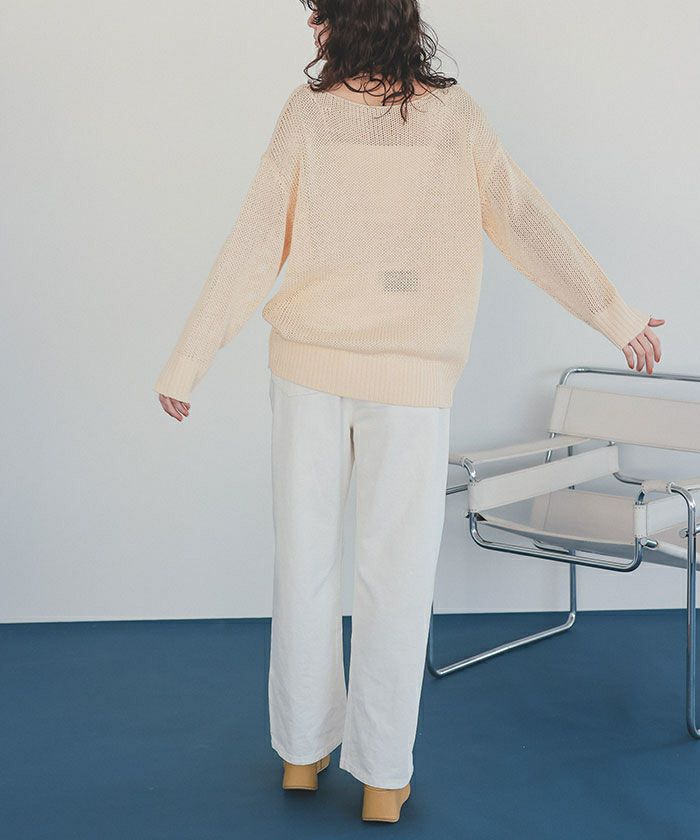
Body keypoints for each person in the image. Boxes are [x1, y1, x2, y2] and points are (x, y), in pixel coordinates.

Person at [154, 0, 664, 824]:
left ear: (348, 21)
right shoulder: (453, 118)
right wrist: (616, 316)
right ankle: (384, 779)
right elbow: (525, 221)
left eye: (320, 13)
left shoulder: (307, 116)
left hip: (308, 370)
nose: (312, 28)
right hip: (412, 381)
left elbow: (253, 241)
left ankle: (301, 754)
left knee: (305, 562)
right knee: (395, 574)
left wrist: (190, 359)